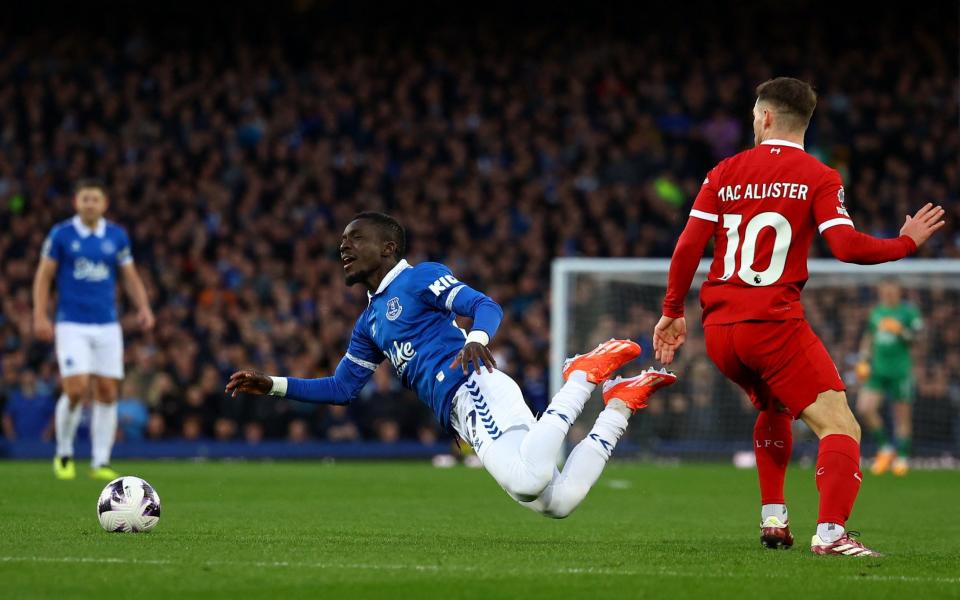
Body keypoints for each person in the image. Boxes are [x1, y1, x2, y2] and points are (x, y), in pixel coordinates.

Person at [653, 78, 944, 556]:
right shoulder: (819, 175)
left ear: (766, 117)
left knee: (774, 408)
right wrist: (906, 242)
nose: (752, 121)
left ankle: (773, 518)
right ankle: (831, 533)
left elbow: (688, 247)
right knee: (841, 427)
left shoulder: (722, 171)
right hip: (772, 325)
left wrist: (671, 313)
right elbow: (847, 248)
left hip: (721, 332)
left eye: (753, 114)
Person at [227, 212, 676, 518]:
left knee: (527, 481)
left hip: (474, 386)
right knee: (556, 503)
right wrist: (273, 385)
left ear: (387, 247)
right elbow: (342, 388)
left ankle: (581, 374)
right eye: (341, 242)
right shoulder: (368, 323)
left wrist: (477, 340)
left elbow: (484, 305)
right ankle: (618, 406)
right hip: (465, 410)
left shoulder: (417, 278)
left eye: (354, 239)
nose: (343, 247)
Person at [32, 179, 155, 480]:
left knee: (108, 391)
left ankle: (100, 461)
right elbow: (44, 275)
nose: (90, 204)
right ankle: (64, 453)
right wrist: (39, 315)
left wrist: (144, 307)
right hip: (71, 323)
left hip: (108, 325)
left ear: (104, 203)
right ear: (76, 202)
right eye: (85, 199)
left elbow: (130, 276)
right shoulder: (61, 234)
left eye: (95, 199)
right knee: (75, 389)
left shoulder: (116, 236)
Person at [856, 278, 922, 476]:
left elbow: (918, 339)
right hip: (877, 370)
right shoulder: (877, 313)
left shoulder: (909, 312)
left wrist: (902, 332)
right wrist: (863, 359)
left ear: (899, 292)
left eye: (892, 292)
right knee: (864, 408)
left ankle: (901, 457)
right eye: (885, 292)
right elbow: (869, 337)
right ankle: (885, 448)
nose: (888, 295)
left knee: (901, 416)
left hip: (900, 371)